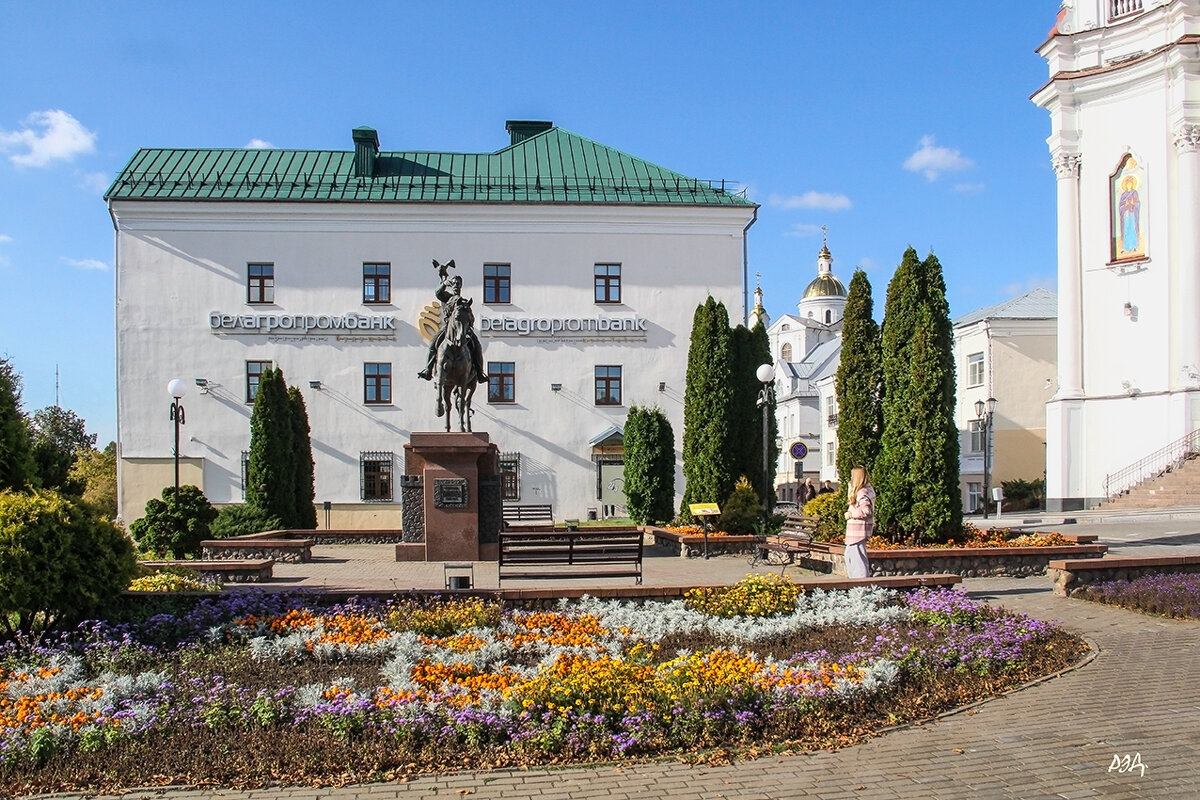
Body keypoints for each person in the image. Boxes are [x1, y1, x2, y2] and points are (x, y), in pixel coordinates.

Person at [417, 260, 488, 384]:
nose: (456, 286)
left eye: (458, 285)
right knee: (433, 344)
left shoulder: (465, 301)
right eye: (454, 284)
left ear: (461, 287)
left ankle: (480, 372)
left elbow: (471, 317)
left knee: (476, 345)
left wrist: (468, 323)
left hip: (463, 329)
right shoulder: (447, 297)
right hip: (448, 328)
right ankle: (427, 369)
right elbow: (437, 293)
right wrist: (444, 283)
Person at [843, 465, 875, 579]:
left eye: (852, 476)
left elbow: (866, 510)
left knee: (857, 561)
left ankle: (860, 585)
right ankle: (856, 584)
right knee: (850, 557)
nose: (850, 478)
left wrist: (851, 514)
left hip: (857, 532)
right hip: (855, 533)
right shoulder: (864, 490)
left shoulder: (862, 492)